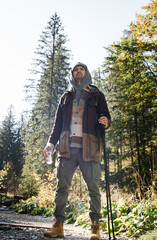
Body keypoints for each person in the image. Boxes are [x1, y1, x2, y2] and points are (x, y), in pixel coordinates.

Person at [43, 62, 111, 240]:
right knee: (61, 188)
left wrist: (106, 121)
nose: (78, 72)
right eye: (76, 70)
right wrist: (51, 143)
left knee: (93, 189)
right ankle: (58, 225)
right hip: (67, 148)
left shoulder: (97, 95)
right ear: (72, 75)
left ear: (86, 73)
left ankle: (95, 227)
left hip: (90, 148)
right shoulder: (65, 97)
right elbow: (57, 123)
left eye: (82, 69)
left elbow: (106, 115)